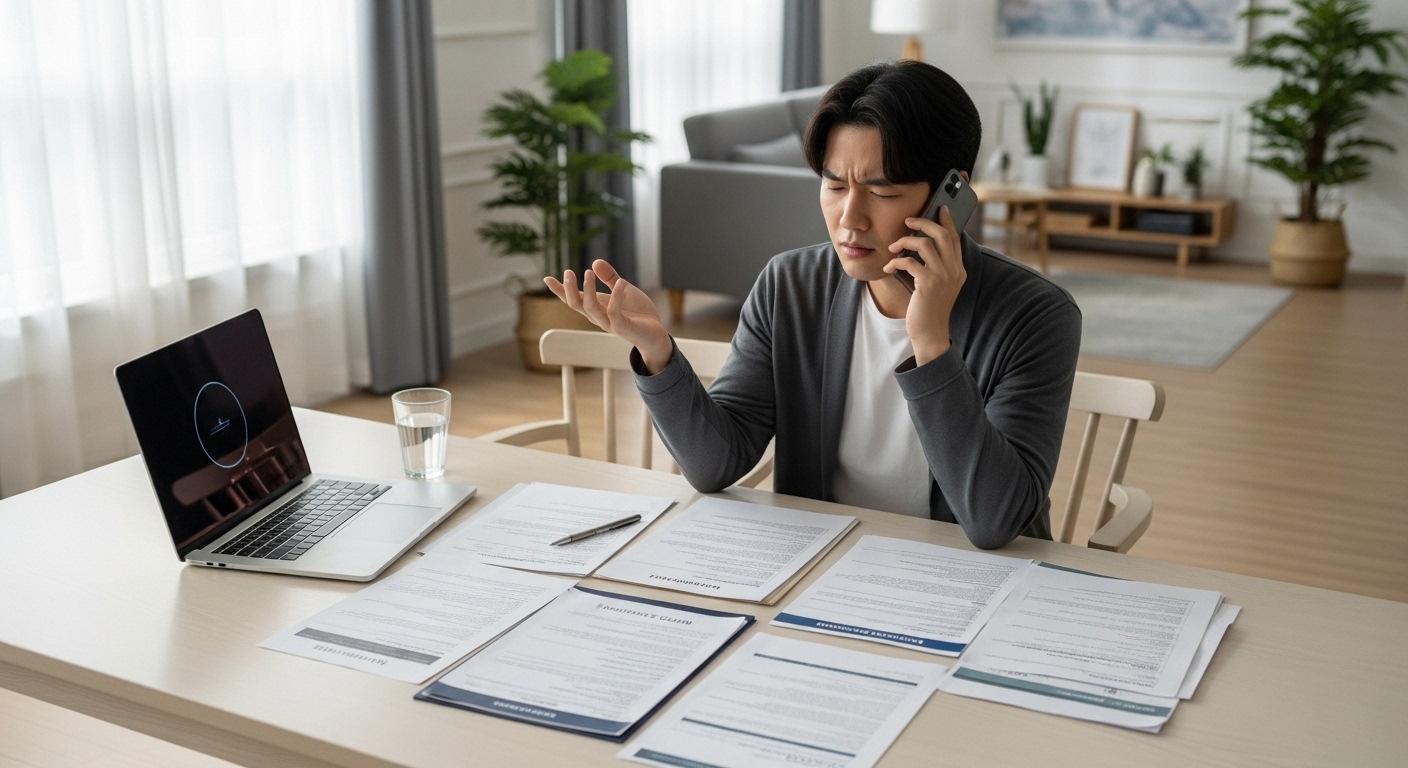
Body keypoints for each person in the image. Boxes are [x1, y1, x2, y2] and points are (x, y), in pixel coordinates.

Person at [544, 61, 1081, 549]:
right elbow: (716, 463)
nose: (851, 218)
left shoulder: (1035, 315)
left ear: (951, 194)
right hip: (822, 566)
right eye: (833, 184)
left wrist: (932, 341)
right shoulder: (790, 286)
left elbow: (994, 521)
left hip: (971, 583)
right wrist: (657, 352)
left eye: (882, 191)